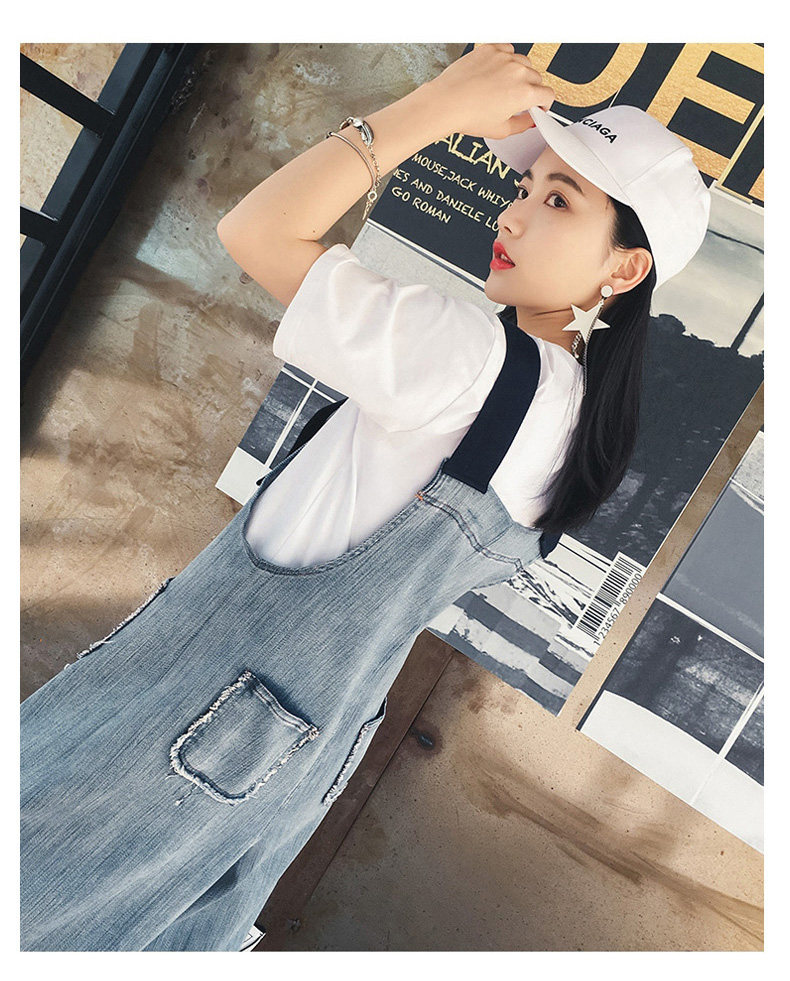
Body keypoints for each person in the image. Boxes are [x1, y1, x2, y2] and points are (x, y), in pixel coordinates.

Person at [20, 43, 710, 951]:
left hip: (186, 712)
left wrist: (434, 107)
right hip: (293, 752)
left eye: (559, 201)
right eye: (526, 186)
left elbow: (256, 231)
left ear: (623, 271)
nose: (511, 212)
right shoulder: (575, 422)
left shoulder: (476, 359)